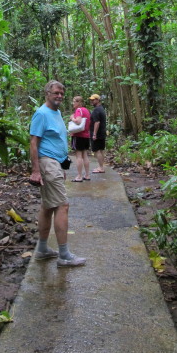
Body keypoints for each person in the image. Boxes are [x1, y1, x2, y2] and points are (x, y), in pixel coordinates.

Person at [29, 80, 86, 268]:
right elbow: (34, 142)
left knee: (47, 206)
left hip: (54, 164)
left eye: (62, 93)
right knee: (63, 205)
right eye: (56, 93)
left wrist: (62, 167)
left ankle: (43, 249)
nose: (59, 96)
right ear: (47, 93)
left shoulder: (57, 112)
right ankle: (64, 256)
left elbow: (57, 141)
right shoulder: (41, 114)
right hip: (47, 163)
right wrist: (36, 170)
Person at [69, 96, 91, 182]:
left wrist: (72, 118)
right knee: (85, 155)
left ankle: (79, 176)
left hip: (78, 135)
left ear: (79, 102)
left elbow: (78, 121)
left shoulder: (79, 110)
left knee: (78, 156)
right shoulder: (86, 110)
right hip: (86, 135)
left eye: (74, 102)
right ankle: (87, 175)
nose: (73, 103)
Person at [89, 93, 107, 173]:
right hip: (102, 132)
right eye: (91, 100)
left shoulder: (96, 110)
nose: (91, 101)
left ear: (98, 100)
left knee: (97, 150)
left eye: (93, 100)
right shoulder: (101, 108)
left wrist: (94, 134)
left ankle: (100, 167)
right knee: (101, 150)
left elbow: (97, 122)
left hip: (98, 133)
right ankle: (101, 166)